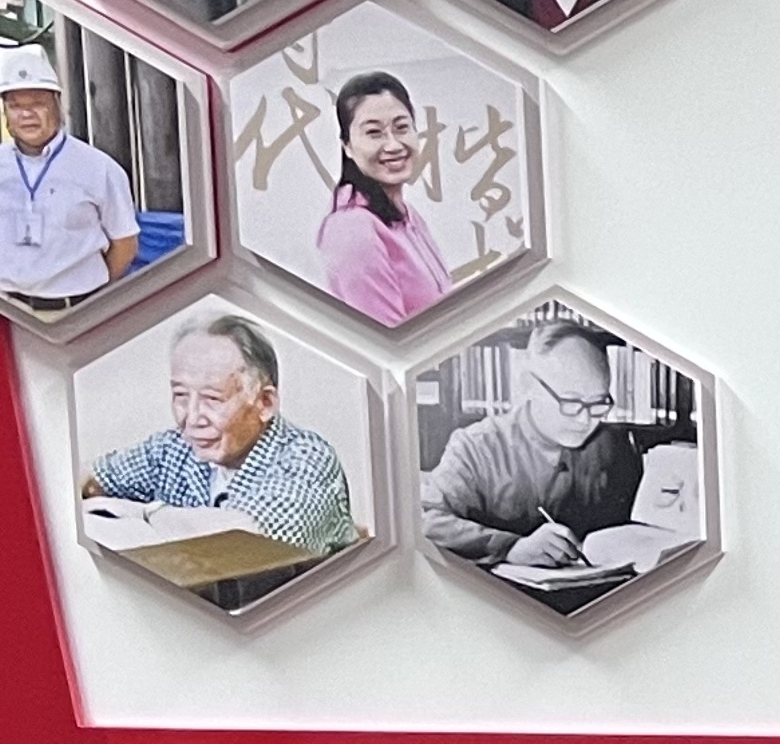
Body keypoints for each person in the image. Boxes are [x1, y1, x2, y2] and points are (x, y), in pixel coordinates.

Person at [82, 313, 356, 554]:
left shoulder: (308, 459)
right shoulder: (173, 447)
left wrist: (145, 513)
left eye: (212, 399)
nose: (191, 418)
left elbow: (245, 539)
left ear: (265, 403)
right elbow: (88, 479)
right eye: (180, 395)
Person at [421, 316, 651, 572]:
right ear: (528, 386)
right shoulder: (475, 447)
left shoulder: (615, 445)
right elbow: (427, 522)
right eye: (571, 402)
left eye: (598, 403)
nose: (585, 420)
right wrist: (510, 547)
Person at [0, 43, 139, 310]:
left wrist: (90, 297)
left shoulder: (99, 168)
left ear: (57, 104)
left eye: (37, 103)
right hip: (7, 313)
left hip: (75, 312)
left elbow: (125, 244)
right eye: (15, 106)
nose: (26, 114)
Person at [315, 72, 451, 329]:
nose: (393, 145)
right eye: (374, 133)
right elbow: (384, 340)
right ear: (347, 146)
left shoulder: (407, 216)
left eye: (402, 128)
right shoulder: (352, 228)